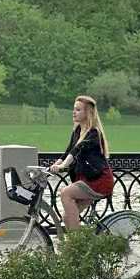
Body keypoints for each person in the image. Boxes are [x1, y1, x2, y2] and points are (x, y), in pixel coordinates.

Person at [49, 95, 114, 230]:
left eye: (78, 110)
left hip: (99, 181)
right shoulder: (77, 131)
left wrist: (63, 166)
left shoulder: (94, 133)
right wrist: (54, 166)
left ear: (88, 113)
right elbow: (68, 152)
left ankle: (75, 245)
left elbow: (77, 150)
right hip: (86, 180)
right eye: (74, 109)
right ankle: (86, 246)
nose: (74, 112)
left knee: (66, 193)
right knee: (67, 218)